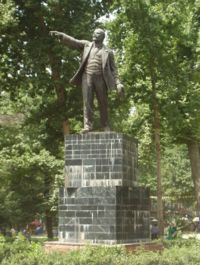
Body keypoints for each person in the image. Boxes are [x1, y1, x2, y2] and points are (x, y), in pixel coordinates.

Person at [50, 28, 124, 133]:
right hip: (87, 77)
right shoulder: (86, 45)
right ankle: (88, 126)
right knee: (87, 102)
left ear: (102, 37)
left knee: (103, 102)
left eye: (97, 33)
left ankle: (105, 125)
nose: (94, 34)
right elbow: (74, 41)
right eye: (94, 33)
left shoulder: (108, 52)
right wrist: (62, 36)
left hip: (101, 79)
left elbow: (114, 70)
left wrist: (118, 83)